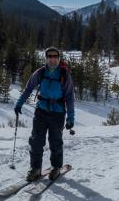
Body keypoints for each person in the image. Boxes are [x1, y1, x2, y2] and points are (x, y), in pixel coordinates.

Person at [14, 46, 75, 181]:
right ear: (46, 58)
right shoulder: (40, 73)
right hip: (41, 111)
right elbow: (28, 88)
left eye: (55, 57)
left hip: (57, 113)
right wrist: (19, 104)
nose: (52, 59)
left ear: (59, 58)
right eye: (50, 57)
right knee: (36, 141)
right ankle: (35, 168)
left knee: (55, 142)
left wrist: (71, 118)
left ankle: (56, 167)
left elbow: (70, 97)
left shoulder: (64, 75)